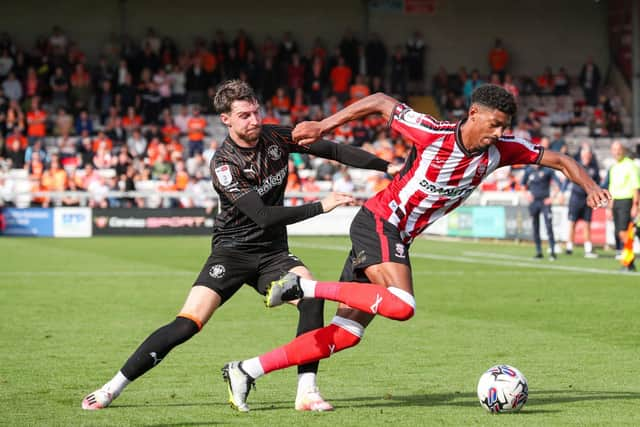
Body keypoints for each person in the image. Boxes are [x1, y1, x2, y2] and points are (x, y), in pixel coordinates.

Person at [220, 84, 611, 410]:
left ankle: (247, 369)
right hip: (379, 222)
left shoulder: (502, 150)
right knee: (403, 305)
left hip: (397, 237)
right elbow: (378, 101)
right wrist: (325, 124)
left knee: (346, 332)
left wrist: (591, 186)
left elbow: (558, 160)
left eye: (504, 126)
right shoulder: (433, 131)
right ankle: (305, 288)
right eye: (494, 124)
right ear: (474, 114)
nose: (498, 133)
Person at [81, 80, 396, 412]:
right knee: (187, 323)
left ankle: (307, 392)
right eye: (244, 115)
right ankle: (111, 388)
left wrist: (385, 166)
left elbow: (330, 149)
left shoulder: (275, 136)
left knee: (311, 299)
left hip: (273, 254)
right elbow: (261, 215)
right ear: (225, 119)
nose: (254, 120)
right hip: (232, 252)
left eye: (256, 112)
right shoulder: (224, 164)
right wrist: (321, 205)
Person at [521, 141, 562, 260]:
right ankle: (538, 251)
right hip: (534, 202)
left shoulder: (547, 169)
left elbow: (558, 184)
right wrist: (526, 195)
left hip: (545, 201)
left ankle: (552, 251)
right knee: (535, 227)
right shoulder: (528, 170)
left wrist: (552, 197)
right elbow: (522, 185)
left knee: (549, 226)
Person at [604, 141, 640, 269]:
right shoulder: (613, 168)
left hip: (627, 200)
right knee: (621, 233)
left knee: (625, 233)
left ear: (623, 150)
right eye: (614, 149)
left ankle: (628, 262)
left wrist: (635, 205)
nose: (617, 152)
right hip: (617, 202)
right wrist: (609, 207)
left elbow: (636, 187)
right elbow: (612, 189)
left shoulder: (630, 165)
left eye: (619, 149)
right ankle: (628, 261)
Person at [566, 145, 600, 258]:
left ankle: (588, 249)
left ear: (590, 155)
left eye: (588, 154)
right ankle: (569, 247)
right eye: (584, 154)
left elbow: (598, 182)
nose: (586, 157)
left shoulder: (594, 167)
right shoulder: (576, 166)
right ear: (581, 155)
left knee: (587, 224)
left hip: (588, 199)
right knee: (572, 222)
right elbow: (568, 178)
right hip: (576, 198)